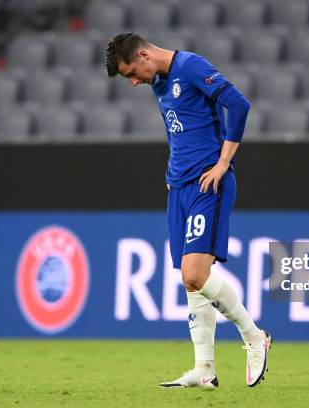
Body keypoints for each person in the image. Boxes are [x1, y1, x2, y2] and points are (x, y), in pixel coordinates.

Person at [106, 33, 271, 389]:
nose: (133, 81)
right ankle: (204, 369)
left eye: (131, 72)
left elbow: (239, 105)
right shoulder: (160, 83)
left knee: (196, 274)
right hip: (179, 186)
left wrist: (224, 163)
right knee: (189, 280)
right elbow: (179, 130)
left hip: (207, 183)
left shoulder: (191, 66)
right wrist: (172, 171)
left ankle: (255, 336)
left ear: (144, 55)